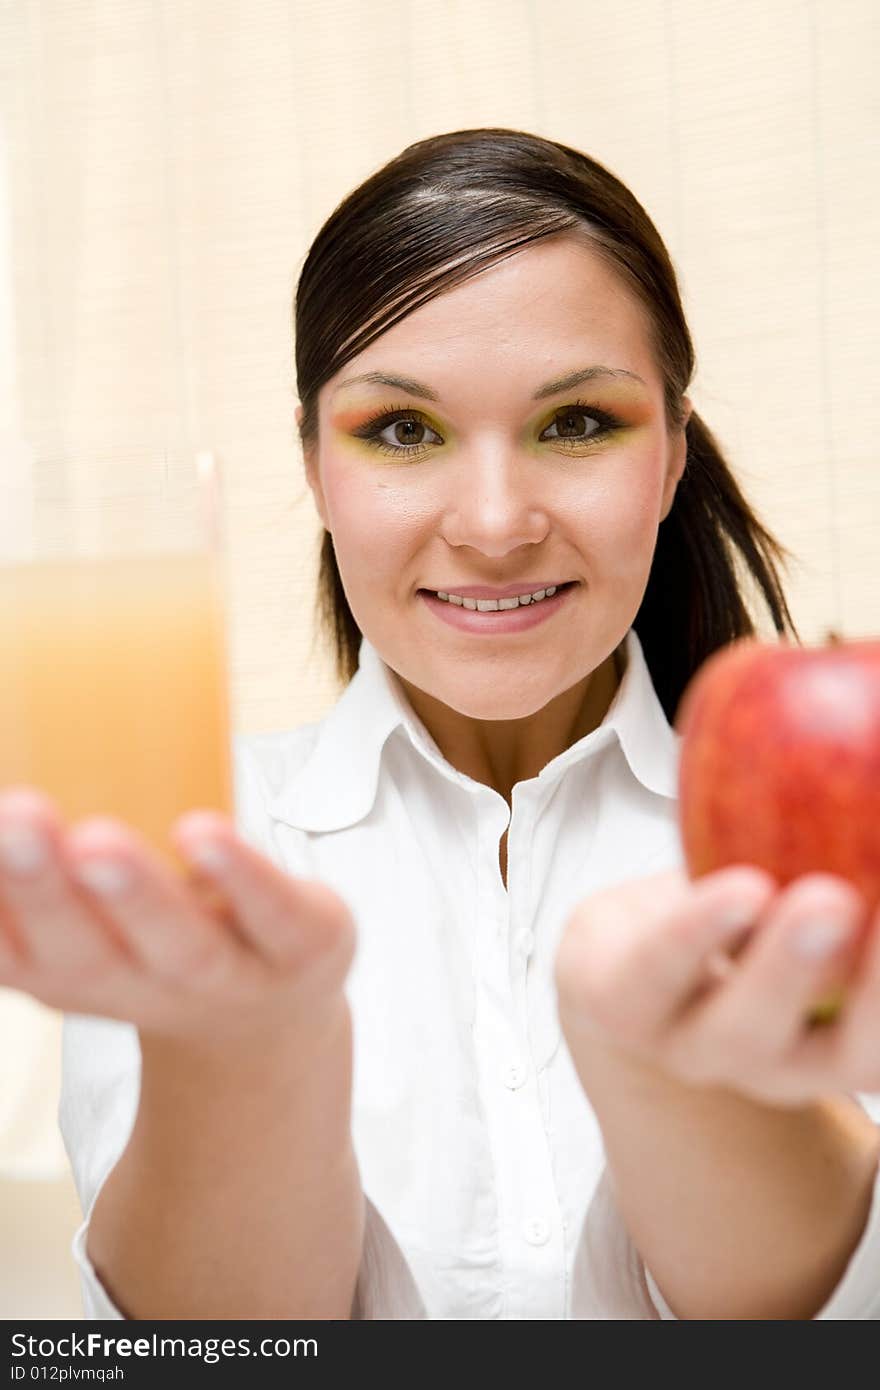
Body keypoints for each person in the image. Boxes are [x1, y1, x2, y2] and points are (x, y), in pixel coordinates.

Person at [2, 127, 878, 1320]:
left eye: (576, 423)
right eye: (402, 431)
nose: (494, 520)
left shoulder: (827, 833)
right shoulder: (191, 854)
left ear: (672, 453)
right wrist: (256, 1043)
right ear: (314, 462)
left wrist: (676, 1072)